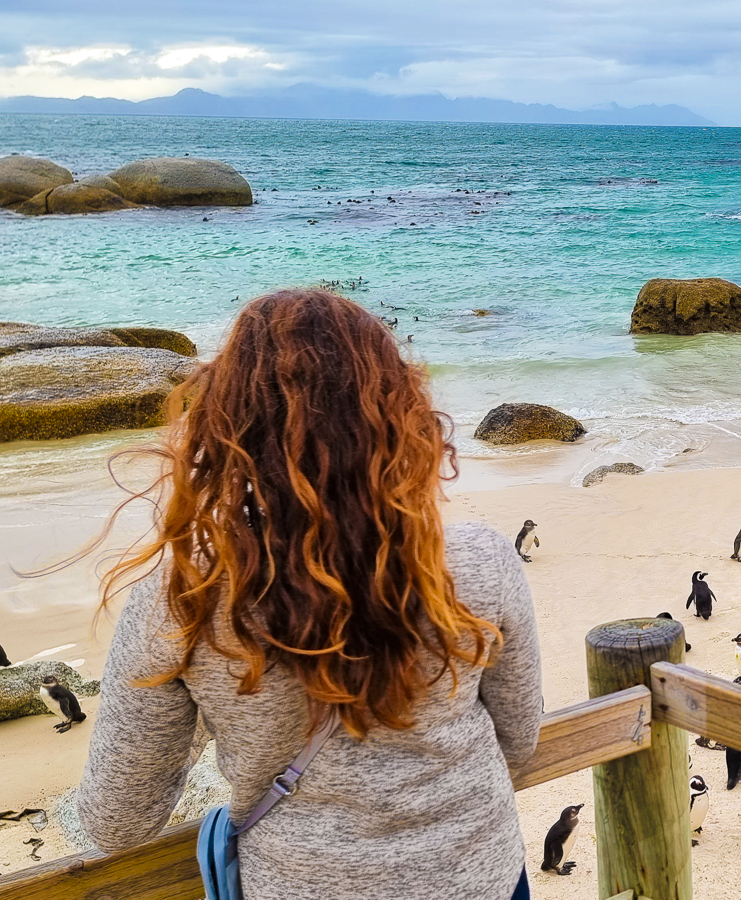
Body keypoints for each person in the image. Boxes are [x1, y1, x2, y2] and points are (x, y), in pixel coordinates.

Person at [76, 289, 543, 900]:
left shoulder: (184, 598)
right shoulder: (478, 563)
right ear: (400, 416)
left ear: (227, 422)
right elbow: (518, 742)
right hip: (479, 877)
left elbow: (117, 820)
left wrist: (227, 717)